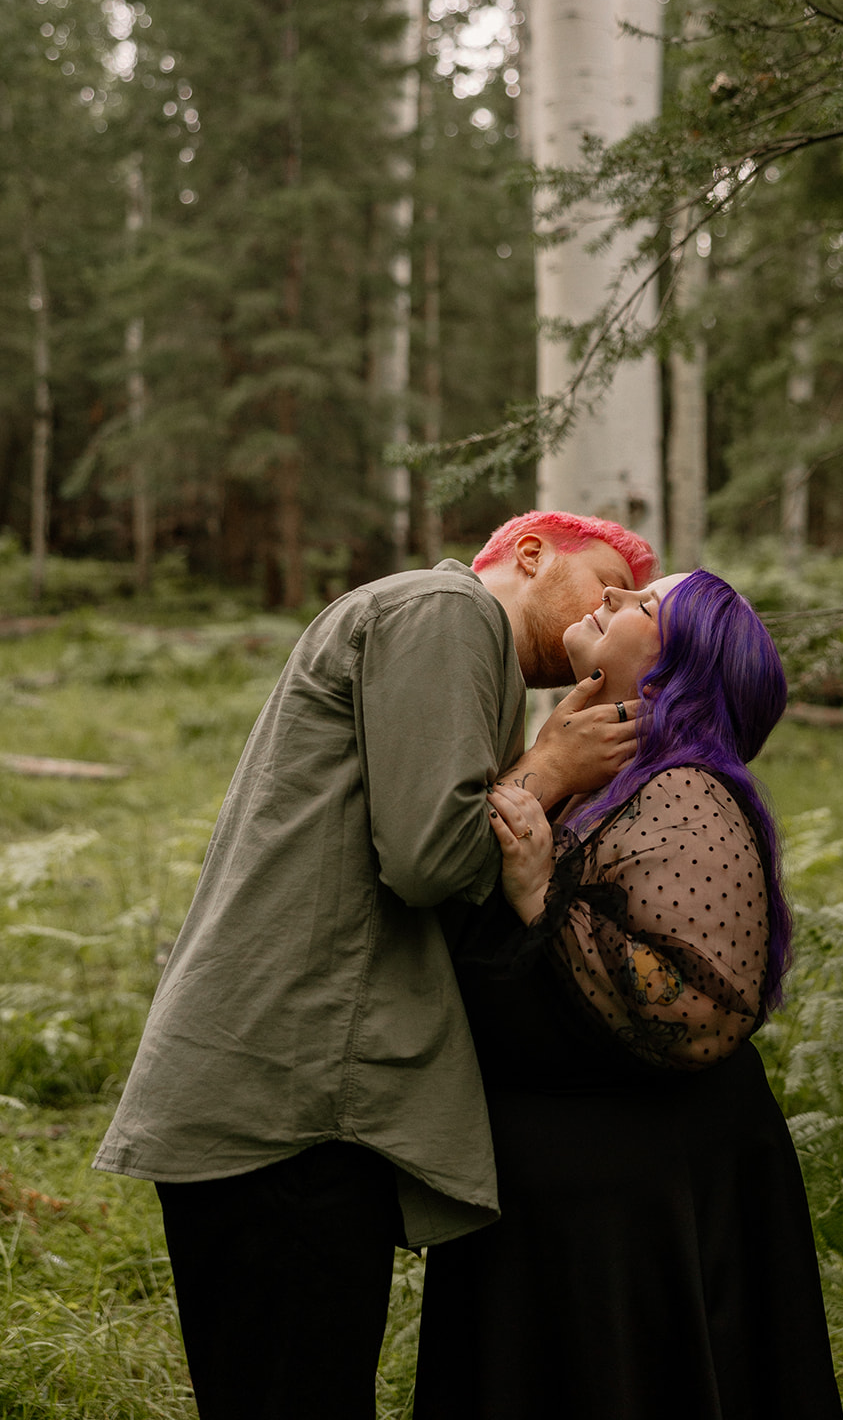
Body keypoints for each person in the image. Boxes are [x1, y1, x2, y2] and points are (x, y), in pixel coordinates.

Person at [92, 510, 658, 1420]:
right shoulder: (446, 609)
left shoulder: (454, 645)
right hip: (292, 1099)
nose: (618, 613)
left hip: (283, 1086)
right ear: (528, 555)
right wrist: (547, 770)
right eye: (608, 585)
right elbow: (430, 860)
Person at [415, 569, 843, 1420]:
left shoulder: (687, 794)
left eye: (643, 607)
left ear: (669, 673)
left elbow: (698, 1012)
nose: (611, 598)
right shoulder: (600, 779)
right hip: (560, 1196)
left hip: (638, 1205)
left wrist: (543, 898)